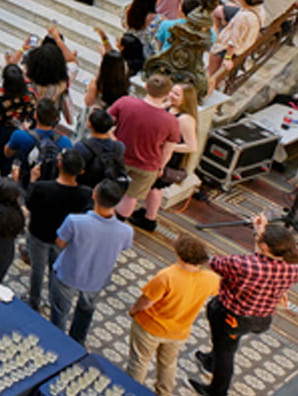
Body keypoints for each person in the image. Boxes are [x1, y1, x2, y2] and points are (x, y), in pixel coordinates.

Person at [191, 213, 298, 396]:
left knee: (226, 351)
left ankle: (217, 390)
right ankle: (211, 360)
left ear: (265, 247)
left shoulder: (243, 264)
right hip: (262, 317)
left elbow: (216, 264)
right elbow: (262, 261)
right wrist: (260, 233)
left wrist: (259, 235)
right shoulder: (295, 266)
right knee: (227, 342)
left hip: (231, 315)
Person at [126, 233, 220, 396]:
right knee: (168, 364)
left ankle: (132, 391)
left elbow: (147, 301)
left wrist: (134, 310)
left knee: (139, 362)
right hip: (179, 332)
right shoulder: (211, 279)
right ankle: (164, 392)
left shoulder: (167, 276)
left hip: (150, 327)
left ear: (179, 254)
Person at [50, 179, 133, 345]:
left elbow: (60, 242)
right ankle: (77, 342)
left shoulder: (75, 221)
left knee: (60, 310)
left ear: (94, 195)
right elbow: (124, 247)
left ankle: (58, 342)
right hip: (97, 277)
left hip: (69, 272)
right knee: (86, 310)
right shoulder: (126, 231)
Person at [111, 74, 184, 230]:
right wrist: (161, 166)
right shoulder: (171, 121)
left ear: (146, 87)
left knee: (108, 187)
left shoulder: (125, 102)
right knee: (131, 197)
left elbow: (107, 124)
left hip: (118, 156)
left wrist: (113, 142)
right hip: (147, 165)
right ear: (167, 94)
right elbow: (168, 149)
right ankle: (117, 226)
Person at [25, 148, 93, 314]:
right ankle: (52, 299)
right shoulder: (85, 194)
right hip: (63, 239)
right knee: (56, 270)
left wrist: (32, 180)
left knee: (37, 268)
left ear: (59, 164)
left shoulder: (42, 187)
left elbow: (29, 204)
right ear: (81, 171)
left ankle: (34, 300)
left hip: (39, 233)